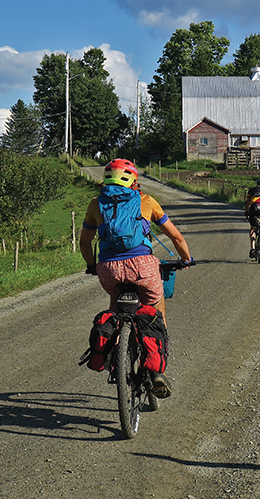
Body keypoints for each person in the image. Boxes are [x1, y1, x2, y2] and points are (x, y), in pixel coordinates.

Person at [80, 158, 193, 398]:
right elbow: (177, 238)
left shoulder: (95, 204)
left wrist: (92, 265)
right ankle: (155, 371)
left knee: (114, 308)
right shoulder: (146, 201)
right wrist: (186, 259)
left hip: (109, 269)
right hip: (143, 268)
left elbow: (84, 242)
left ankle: (114, 354)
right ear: (134, 180)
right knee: (156, 310)